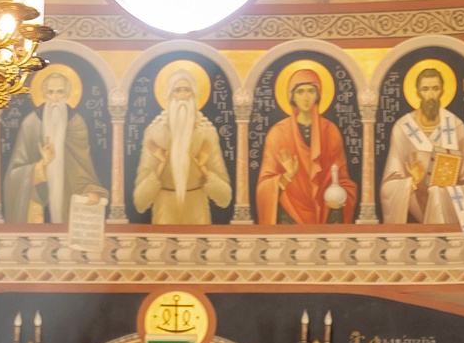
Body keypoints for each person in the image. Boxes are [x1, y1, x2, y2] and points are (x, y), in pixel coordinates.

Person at [381, 63, 464, 226]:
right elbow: (388, 186)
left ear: (442, 91)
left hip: (448, 205)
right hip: (414, 206)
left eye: (435, 89)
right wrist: (411, 183)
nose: (431, 96)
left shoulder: (456, 127)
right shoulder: (403, 128)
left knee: (437, 192)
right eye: (425, 89)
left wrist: (444, 191)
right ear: (417, 92)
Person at [1, 67, 104, 224]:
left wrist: (91, 189)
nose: (55, 99)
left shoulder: (76, 123)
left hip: (68, 196)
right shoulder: (31, 123)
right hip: (36, 204)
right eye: (50, 92)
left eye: (60, 92)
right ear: (43, 94)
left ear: (68, 94)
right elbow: (14, 174)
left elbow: (82, 165)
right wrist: (42, 165)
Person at [132, 65, 232, 225]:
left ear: (194, 94)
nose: (183, 96)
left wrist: (202, 168)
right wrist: (162, 164)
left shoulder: (206, 133)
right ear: (170, 96)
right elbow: (140, 200)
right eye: (177, 91)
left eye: (187, 90)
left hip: (197, 212)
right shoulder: (155, 133)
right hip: (164, 213)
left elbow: (224, 197)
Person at [255, 67, 353, 224]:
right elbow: (264, 187)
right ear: (292, 96)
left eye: (311, 91)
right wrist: (287, 176)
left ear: (318, 95)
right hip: (290, 210)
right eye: (300, 92)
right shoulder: (278, 133)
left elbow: (342, 178)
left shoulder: (330, 130)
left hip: (325, 206)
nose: (306, 97)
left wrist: (339, 195)